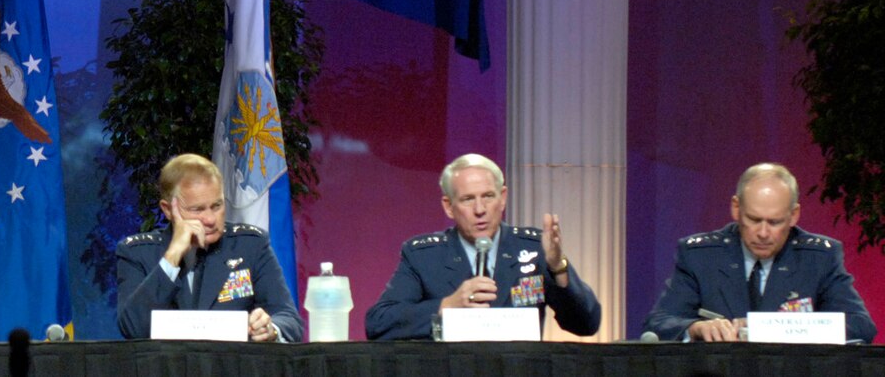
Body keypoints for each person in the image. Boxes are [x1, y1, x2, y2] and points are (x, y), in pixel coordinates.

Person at [365, 153, 600, 340]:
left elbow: (587, 324)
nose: (480, 209)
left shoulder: (533, 249)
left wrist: (558, 267)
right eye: (468, 199)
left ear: (503, 198)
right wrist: (446, 306)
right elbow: (379, 323)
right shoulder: (424, 256)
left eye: (488, 196)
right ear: (448, 206)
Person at [643, 162, 876, 343]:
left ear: (793, 215)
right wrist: (694, 328)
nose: (763, 233)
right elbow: (658, 323)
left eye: (774, 222)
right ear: (736, 208)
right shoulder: (701, 256)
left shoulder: (818, 258)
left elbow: (860, 326)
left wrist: (780, 328)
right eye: (753, 219)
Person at [114, 153, 299, 341]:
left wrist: (271, 329)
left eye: (216, 206)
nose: (210, 219)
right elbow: (133, 328)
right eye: (197, 209)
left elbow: (288, 319)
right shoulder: (137, 253)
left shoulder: (250, 245)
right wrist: (173, 256)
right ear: (168, 210)